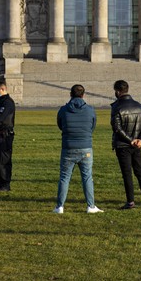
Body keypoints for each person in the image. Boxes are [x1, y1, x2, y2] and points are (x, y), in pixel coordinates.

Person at [53, 84, 103, 214]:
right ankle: (91, 206)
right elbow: (93, 126)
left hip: (68, 146)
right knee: (87, 177)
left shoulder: (63, 110)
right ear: (83, 95)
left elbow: (60, 125)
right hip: (85, 146)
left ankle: (60, 206)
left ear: (70, 94)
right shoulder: (90, 110)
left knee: (64, 178)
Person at [110, 79, 141, 210]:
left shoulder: (117, 107)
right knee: (140, 172)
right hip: (137, 145)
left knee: (127, 173)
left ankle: (131, 202)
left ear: (117, 91)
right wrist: (140, 139)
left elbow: (117, 128)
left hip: (123, 145)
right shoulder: (140, 106)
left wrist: (130, 140)